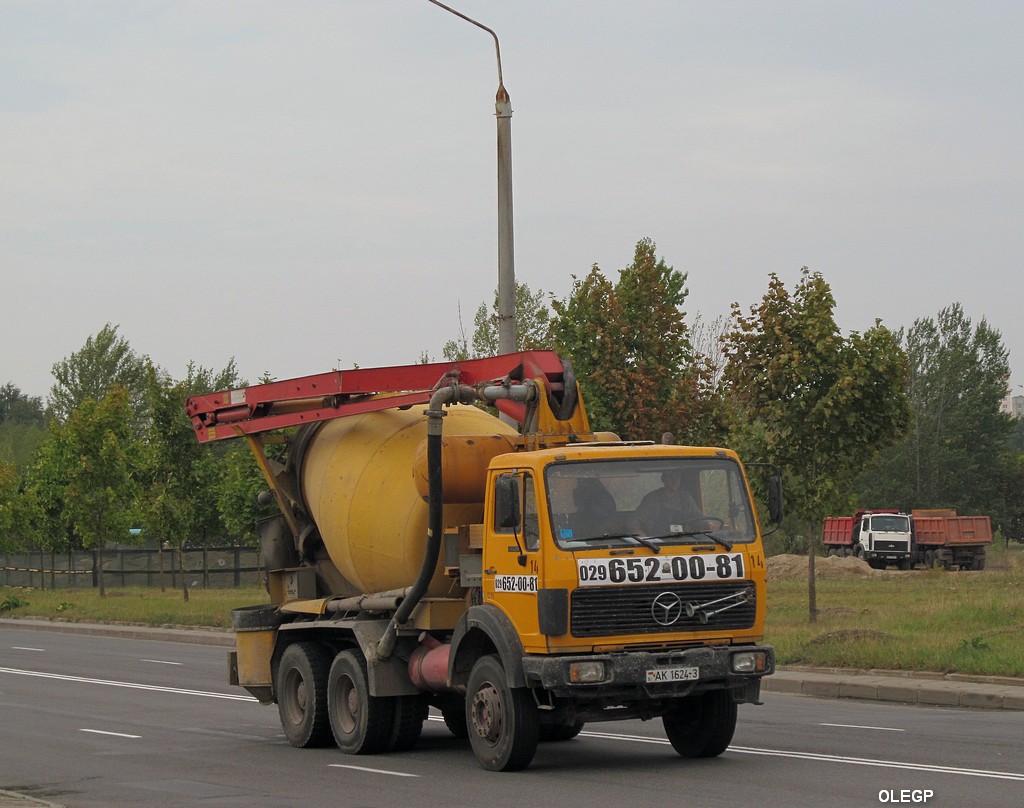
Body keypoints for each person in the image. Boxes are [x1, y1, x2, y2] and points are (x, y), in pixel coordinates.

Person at [631, 469, 702, 535]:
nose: (674, 480)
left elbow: (699, 518)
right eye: (670, 477)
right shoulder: (652, 498)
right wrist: (637, 531)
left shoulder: (686, 498)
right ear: (663, 479)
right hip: (656, 543)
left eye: (677, 476)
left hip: (684, 541)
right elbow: (635, 520)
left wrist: (709, 524)